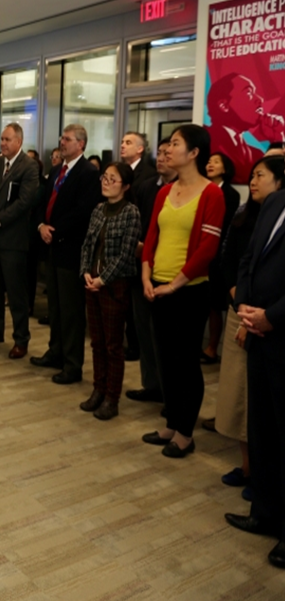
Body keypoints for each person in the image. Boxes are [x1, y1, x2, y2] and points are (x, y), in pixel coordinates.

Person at [139, 124, 226, 458]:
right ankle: (172, 423)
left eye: (175, 144)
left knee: (185, 362)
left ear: (194, 153)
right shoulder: (165, 191)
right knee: (165, 360)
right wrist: (147, 277)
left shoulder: (212, 194)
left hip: (189, 291)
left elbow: (208, 248)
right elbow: (152, 236)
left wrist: (174, 284)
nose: (167, 150)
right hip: (158, 286)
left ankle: (186, 433)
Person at [225, 162, 285, 569]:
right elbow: (248, 259)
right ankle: (264, 512)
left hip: (280, 332)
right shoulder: (274, 202)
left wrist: (272, 317)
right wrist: (245, 307)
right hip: (258, 334)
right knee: (262, 428)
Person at [31, 124, 103, 384]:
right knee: (55, 306)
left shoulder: (88, 173)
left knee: (71, 310)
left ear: (81, 144)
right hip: (51, 246)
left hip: (71, 249)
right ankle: (56, 352)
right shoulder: (56, 171)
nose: (62, 142)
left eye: (68, 139)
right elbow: (43, 203)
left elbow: (83, 212)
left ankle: (72, 365)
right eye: (62, 138)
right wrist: (41, 226)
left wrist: (56, 231)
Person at [77, 162, 142, 420]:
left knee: (113, 345)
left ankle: (112, 398)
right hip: (91, 282)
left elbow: (126, 254)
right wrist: (86, 270)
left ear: (125, 186)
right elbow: (87, 244)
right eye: (105, 177)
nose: (105, 182)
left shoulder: (131, 213)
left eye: (112, 179)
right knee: (97, 342)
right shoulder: (98, 209)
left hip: (114, 285)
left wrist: (102, 279)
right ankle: (98, 389)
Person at [0, 123, 40, 359]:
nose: (2, 143)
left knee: (15, 293)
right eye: (1, 139)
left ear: (19, 142)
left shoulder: (28, 166)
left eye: (7, 140)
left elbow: (25, 201)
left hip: (13, 239)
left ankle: (21, 339)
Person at [126, 139, 176, 404]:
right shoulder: (146, 187)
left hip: (170, 271)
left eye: (168, 153)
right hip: (142, 265)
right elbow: (138, 221)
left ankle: (171, 394)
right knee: (143, 329)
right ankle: (151, 384)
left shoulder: (185, 190)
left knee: (166, 337)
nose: (162, 157)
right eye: (160, 153)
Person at [201, 152, 242, 365]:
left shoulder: (230, 194)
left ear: (225, 168)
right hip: (199, 252)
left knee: (215, 304)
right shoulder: (201, 188)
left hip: (217, 255)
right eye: (209, 161)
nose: (210, 165)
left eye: (216, 162)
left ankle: (212, 348)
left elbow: (224, 226)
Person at [207, 73, 285, 183]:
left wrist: (277, 139)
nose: (260, 99)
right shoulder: (205, 141)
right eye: (249, 92)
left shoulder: (256, 154)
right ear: (224, 105)